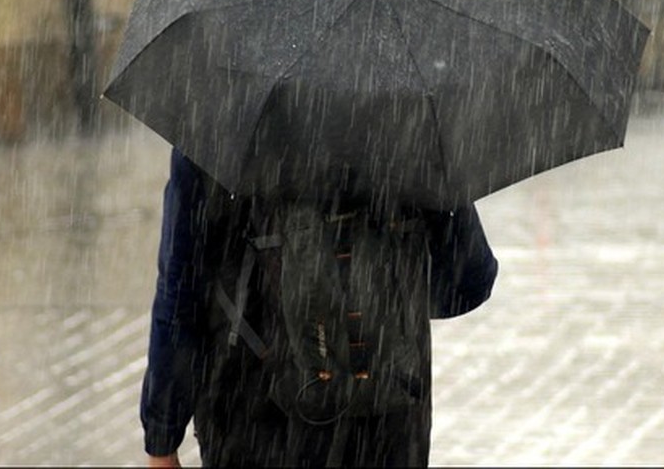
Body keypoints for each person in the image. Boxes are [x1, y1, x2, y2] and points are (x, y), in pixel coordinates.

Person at [141, 148, 498, 467]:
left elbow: (180, 290)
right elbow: (470, 280)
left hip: (251, 413)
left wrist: (162, 435)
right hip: (387, 414)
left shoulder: (220, 117)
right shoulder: (413, 120)